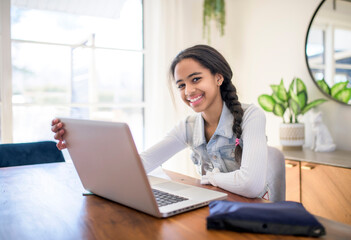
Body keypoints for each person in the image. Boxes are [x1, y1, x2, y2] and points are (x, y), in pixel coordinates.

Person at [52, 45, 270, 200]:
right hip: (218, 209)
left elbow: (251, 185)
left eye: (195, 79)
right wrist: (79, 145)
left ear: (218, 78)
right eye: (181, 85)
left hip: (255, 216)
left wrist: (211, 178)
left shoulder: (252, 116)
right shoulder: (188, 126)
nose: (189, 91)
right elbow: (142, 163)